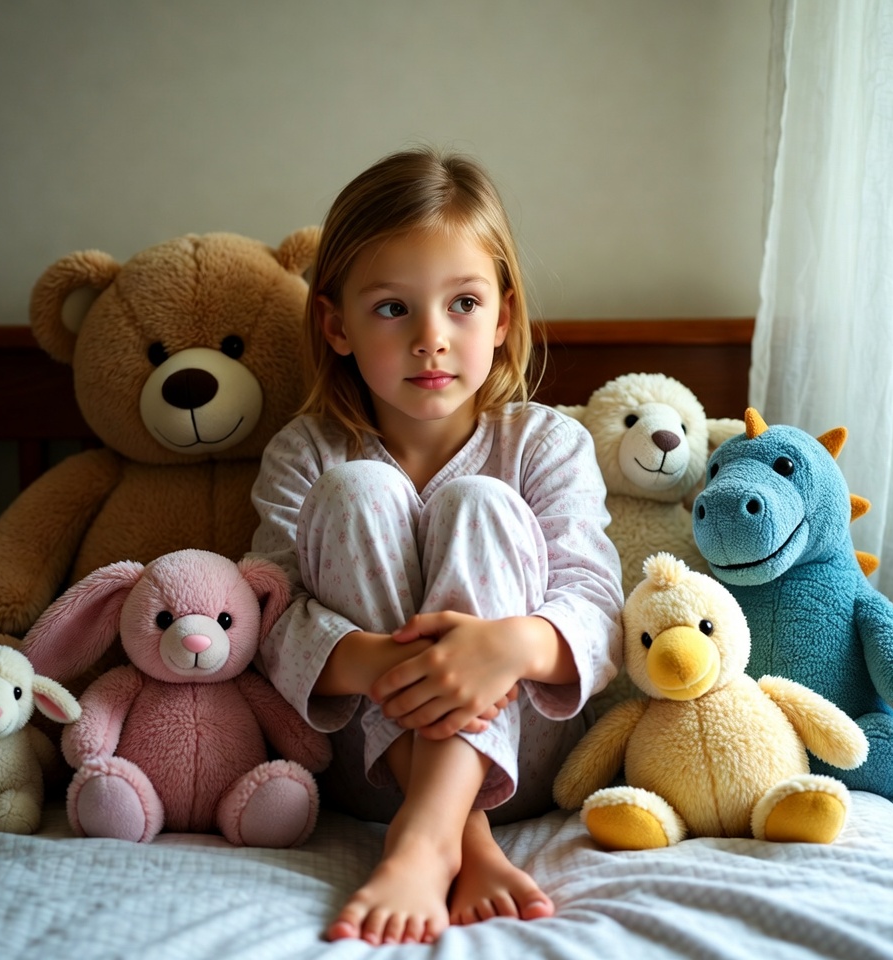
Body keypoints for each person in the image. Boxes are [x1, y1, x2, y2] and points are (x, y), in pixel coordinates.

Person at [250, 146, 623, 946]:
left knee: (479, 502)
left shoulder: (546, 443)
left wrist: (510, 647)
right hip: (364, 765)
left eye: (463, 303)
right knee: (358, 490)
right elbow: (265, 615)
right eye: (393, 308)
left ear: (503, 317)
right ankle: (458, 837)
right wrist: (374, 663)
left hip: (520, 757)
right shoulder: (305, 454)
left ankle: (427, 840)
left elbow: (598, 608)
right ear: (336, 324)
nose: (431, 338)